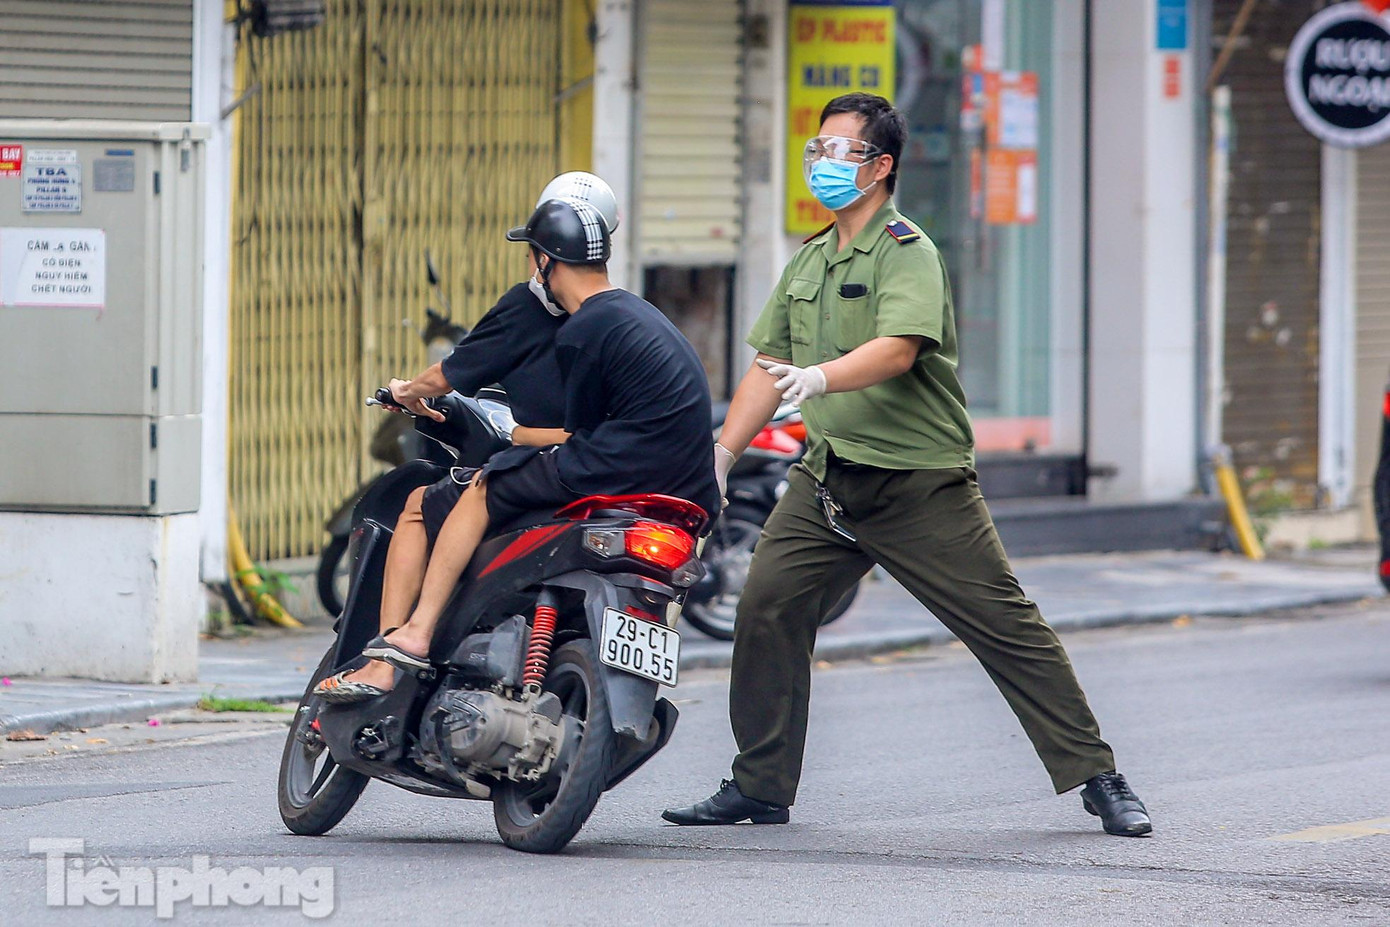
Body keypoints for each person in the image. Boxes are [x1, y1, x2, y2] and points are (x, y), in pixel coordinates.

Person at [663, 93, 1152, 837]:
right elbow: (768, 364)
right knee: (766, 605)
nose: (821, 162)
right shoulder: (810, 258)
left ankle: (1097, 773)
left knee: (1004, 626)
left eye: (838, 151)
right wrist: (722, 455)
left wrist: (822, 377)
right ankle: (761, 783)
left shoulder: (906, 250)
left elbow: (898, 347)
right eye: (817, 149)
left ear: (880, 165)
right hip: (828, 481)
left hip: (920, 485)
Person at [318, 196, 720, 700]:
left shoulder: (583, 328)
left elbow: (569, 436)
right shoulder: (636, 315)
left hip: (618, 469)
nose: (530, 268)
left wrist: (424, 400)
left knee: (483, 488)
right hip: (686, 490)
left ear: (547, 261)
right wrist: (519, 437)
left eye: (532, 256)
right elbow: (586, 431)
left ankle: (410, 638)